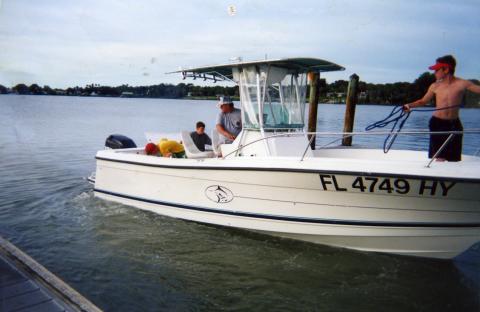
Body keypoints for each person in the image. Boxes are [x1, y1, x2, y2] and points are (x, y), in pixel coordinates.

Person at [403, 55, 480, 161]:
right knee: (439, 157)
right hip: (437, 124)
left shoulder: (462, 83)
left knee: (454, 159)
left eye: (436, 70)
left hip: (455, 124)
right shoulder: (435, 86)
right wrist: (408, 105)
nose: (434, 73)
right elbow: (423, 101)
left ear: (446, 69)